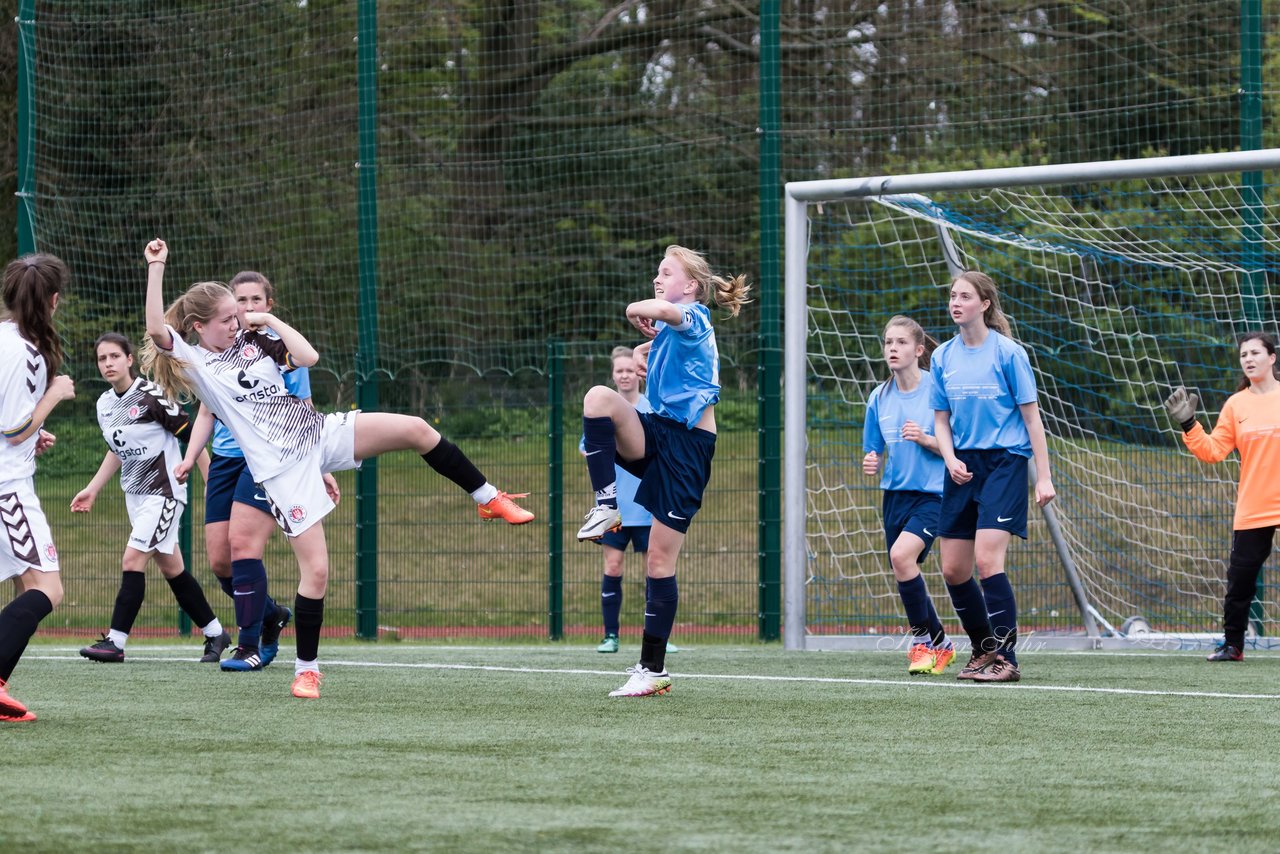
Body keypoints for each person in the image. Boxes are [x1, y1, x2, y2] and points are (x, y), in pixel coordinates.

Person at [142, 238, 533, 699]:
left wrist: (265, 319)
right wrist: (157, 266)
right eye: (227, 318)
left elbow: (308, 358)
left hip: (317, 432)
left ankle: (488, 498)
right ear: (197, 327)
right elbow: (154, 328)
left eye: (239, 314)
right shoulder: (199, 361)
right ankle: (307, 670)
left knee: (416, 429)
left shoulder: (256, 337)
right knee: (319, 572)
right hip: (283, 471)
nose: (236, 322)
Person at [577, 245, 749, 697]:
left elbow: (656, 310)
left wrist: (638, 311)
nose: (658, 277)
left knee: (658, 561)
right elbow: (658, 341)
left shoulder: (695, 318)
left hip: (689, 449)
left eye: (666, 272)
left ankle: (652, 670)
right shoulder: (675, 327)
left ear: (690, 286)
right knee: (598, 398)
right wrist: (643, 347)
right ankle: (607, 506)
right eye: (657, 271)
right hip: (659, 430)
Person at [180, 270, 336, 672]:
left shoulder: (274, 347)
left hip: (266, 457)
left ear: (269, 306)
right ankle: (270, 615)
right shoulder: (219, 350)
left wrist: (318, 466)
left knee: (243, 546)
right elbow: (206, 411)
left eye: (255, 301)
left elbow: (302, 410)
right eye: (240, 302)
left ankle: (248, 643)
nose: (247, 309)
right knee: (219, 561)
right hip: (226, 460)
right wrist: (191, 455)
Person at [71, 333, 230, 663]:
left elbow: (191, 435)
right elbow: (116, 451)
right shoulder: (104, 404)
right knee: (173, 569)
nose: (108, 363)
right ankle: (216, 633)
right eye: (102, 359)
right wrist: (93, 488)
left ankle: (115, 642)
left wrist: (210, 478)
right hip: (136, 496)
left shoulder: (151, 396)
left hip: (164, 493)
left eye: (115, 356)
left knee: (132, 561)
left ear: (129, 360)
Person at [931, 270, 1054, 684]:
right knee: (953, 569)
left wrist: (1044, 477)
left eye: (964, 296)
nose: (955, 302)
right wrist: (948, 458)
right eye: (952, 296)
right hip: (962, 466)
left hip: (1004, 463)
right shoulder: (942, 356)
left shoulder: (1008, 353)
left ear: (984, 304)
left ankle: (1007, 658)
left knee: (987, 560)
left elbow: (1033, 420)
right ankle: (984, 651)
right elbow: (941, 420)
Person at [1164, 332, 1280, 662]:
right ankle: (1233, 645)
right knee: (1240, 579)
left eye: (1256, 352)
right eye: (1244, 354)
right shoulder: (1236, 404)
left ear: (1272, 358)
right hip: (1254, 505)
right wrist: (1189, 423)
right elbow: (1214, 450)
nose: (1249, 358)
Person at [0, 253, 77, 722]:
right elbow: (11, 429)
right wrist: (54, 395)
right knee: (48, 588)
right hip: (6, 487)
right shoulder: (27, 353)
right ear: (53, 301)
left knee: (25, 584)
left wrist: (33, 432)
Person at [861, 316, 954, 675]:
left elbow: (956, 443)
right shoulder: (878, 397)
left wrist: (927, 440)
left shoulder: (936, 390)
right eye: (888, 343)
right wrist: (872, 460)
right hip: (895, 496)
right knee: (904, 566)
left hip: (933, 494)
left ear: (918, 350)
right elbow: (874, 448)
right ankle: (942, 643)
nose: (892, 349)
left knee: (901, 557)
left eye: (900, 343)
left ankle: (921, 643)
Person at [583, 346, 676, 656]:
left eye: (629, 370)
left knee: (657, 567)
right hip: (618, 508)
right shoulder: (602, 409)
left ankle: (658, 636)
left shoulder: (652, 406)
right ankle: (611, 636)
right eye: (618, 371)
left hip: (648, 506)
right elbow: (590, 449)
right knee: (612, 566)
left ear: (638, 373)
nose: (624, 375)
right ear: (613, 375)